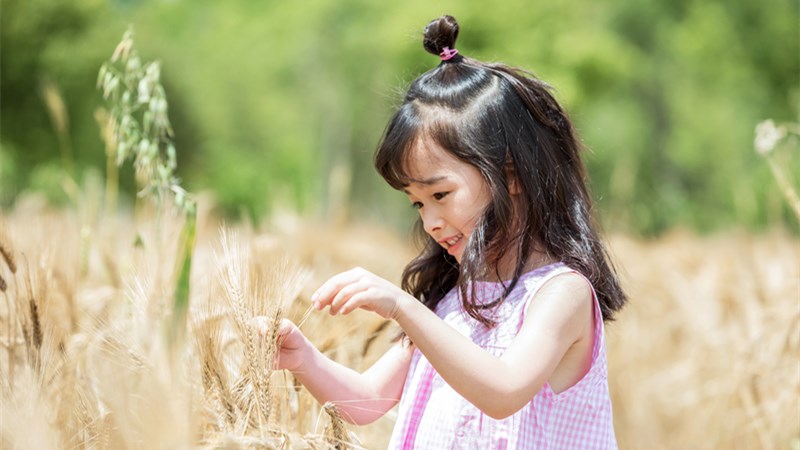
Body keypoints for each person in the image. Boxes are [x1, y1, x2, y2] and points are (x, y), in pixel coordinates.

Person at [258, 14, 626, 449]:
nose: (429, 221)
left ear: (510, 177)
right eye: (417, 202)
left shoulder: (561, 294)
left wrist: (402, 307)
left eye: (440, 194)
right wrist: (304, 359)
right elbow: (368, 401)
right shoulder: (452, 301)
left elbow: (505, 391)